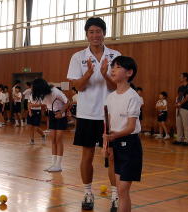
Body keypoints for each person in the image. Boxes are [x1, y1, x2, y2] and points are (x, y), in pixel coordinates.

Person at [67, 17, 121, 210]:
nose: (95, 35)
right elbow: (78, 87)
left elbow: (116, 87)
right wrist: (89, 73)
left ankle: (115, 196)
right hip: (87, 114)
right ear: (87, 34)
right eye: (91, 32)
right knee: (87, 155)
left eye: (98, 31)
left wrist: (105, 73)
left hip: (110, 114)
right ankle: (88, 193)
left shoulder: (115, 55)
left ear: (104, 33)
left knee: (113, 155)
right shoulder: (77, 57)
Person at [104, 56, 142, 212]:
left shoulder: (133, 96)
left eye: (118, 67)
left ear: (129, 73)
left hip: (130, 145)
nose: (113, 69)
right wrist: (107, 144)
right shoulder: (110, 97)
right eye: (113, 66)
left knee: (123, 190)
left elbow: (131, 127)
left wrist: (113, 136)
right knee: (120, 190)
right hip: (116, 143)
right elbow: (108, 124)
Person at [32, 78, 69, 172]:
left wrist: (61, 112)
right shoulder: (42, 95)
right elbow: (45, 104)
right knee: (53, 139)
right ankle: (53, 164)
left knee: (58, 139)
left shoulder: (56, 92)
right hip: (52, 114)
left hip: (60, 115)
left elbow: (67, 102)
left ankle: (59, 165)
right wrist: (45, 111)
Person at [173, 73, 188, 146]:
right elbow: (179, 96)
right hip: (179, 108)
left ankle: (187, 140)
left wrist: (180, 103)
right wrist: (177, 103)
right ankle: (179, 139)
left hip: (185, 108)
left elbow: (187, 97)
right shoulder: (180, 87)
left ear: (185, 78)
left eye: (181, 77)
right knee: (178, 124)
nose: (179, 78)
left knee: (185, 124)